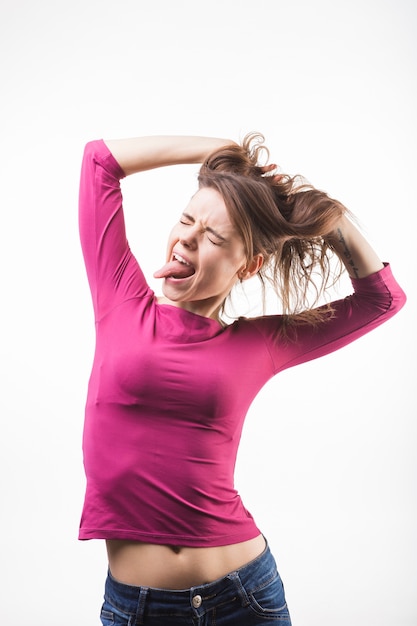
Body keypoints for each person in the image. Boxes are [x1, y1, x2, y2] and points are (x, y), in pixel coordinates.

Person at [78, 132, 406, 626]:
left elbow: (382, 299)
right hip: (136, 608)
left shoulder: (259, 344)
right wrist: (219, 148)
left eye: (213, 237)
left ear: (248, 266)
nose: (188, 237)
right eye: (187, 220)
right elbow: (99, 162)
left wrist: (324, 216)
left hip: (243, 596)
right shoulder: (120, 297)